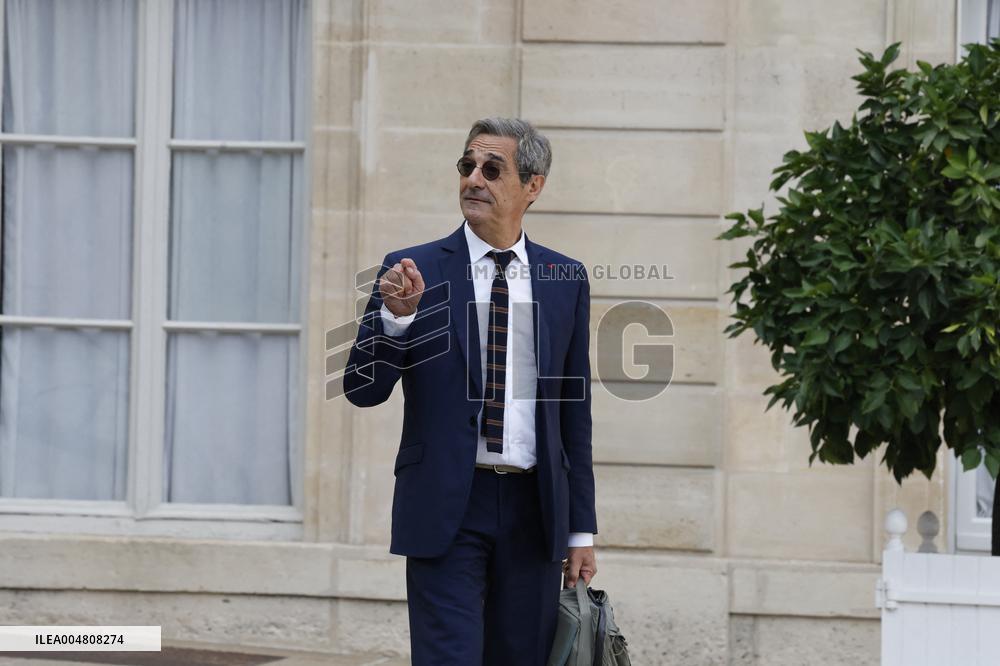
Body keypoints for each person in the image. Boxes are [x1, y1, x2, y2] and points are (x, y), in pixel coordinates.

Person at [343, 117, 597, 665]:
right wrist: (394, 320)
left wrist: (581, 531)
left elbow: (574, 418)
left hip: (535, 509)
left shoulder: (565, 278)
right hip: (447, 506)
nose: (473, 179)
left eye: (491, 169)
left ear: (533, 185)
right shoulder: (413, 270)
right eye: (467, 166)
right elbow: (362, 390)